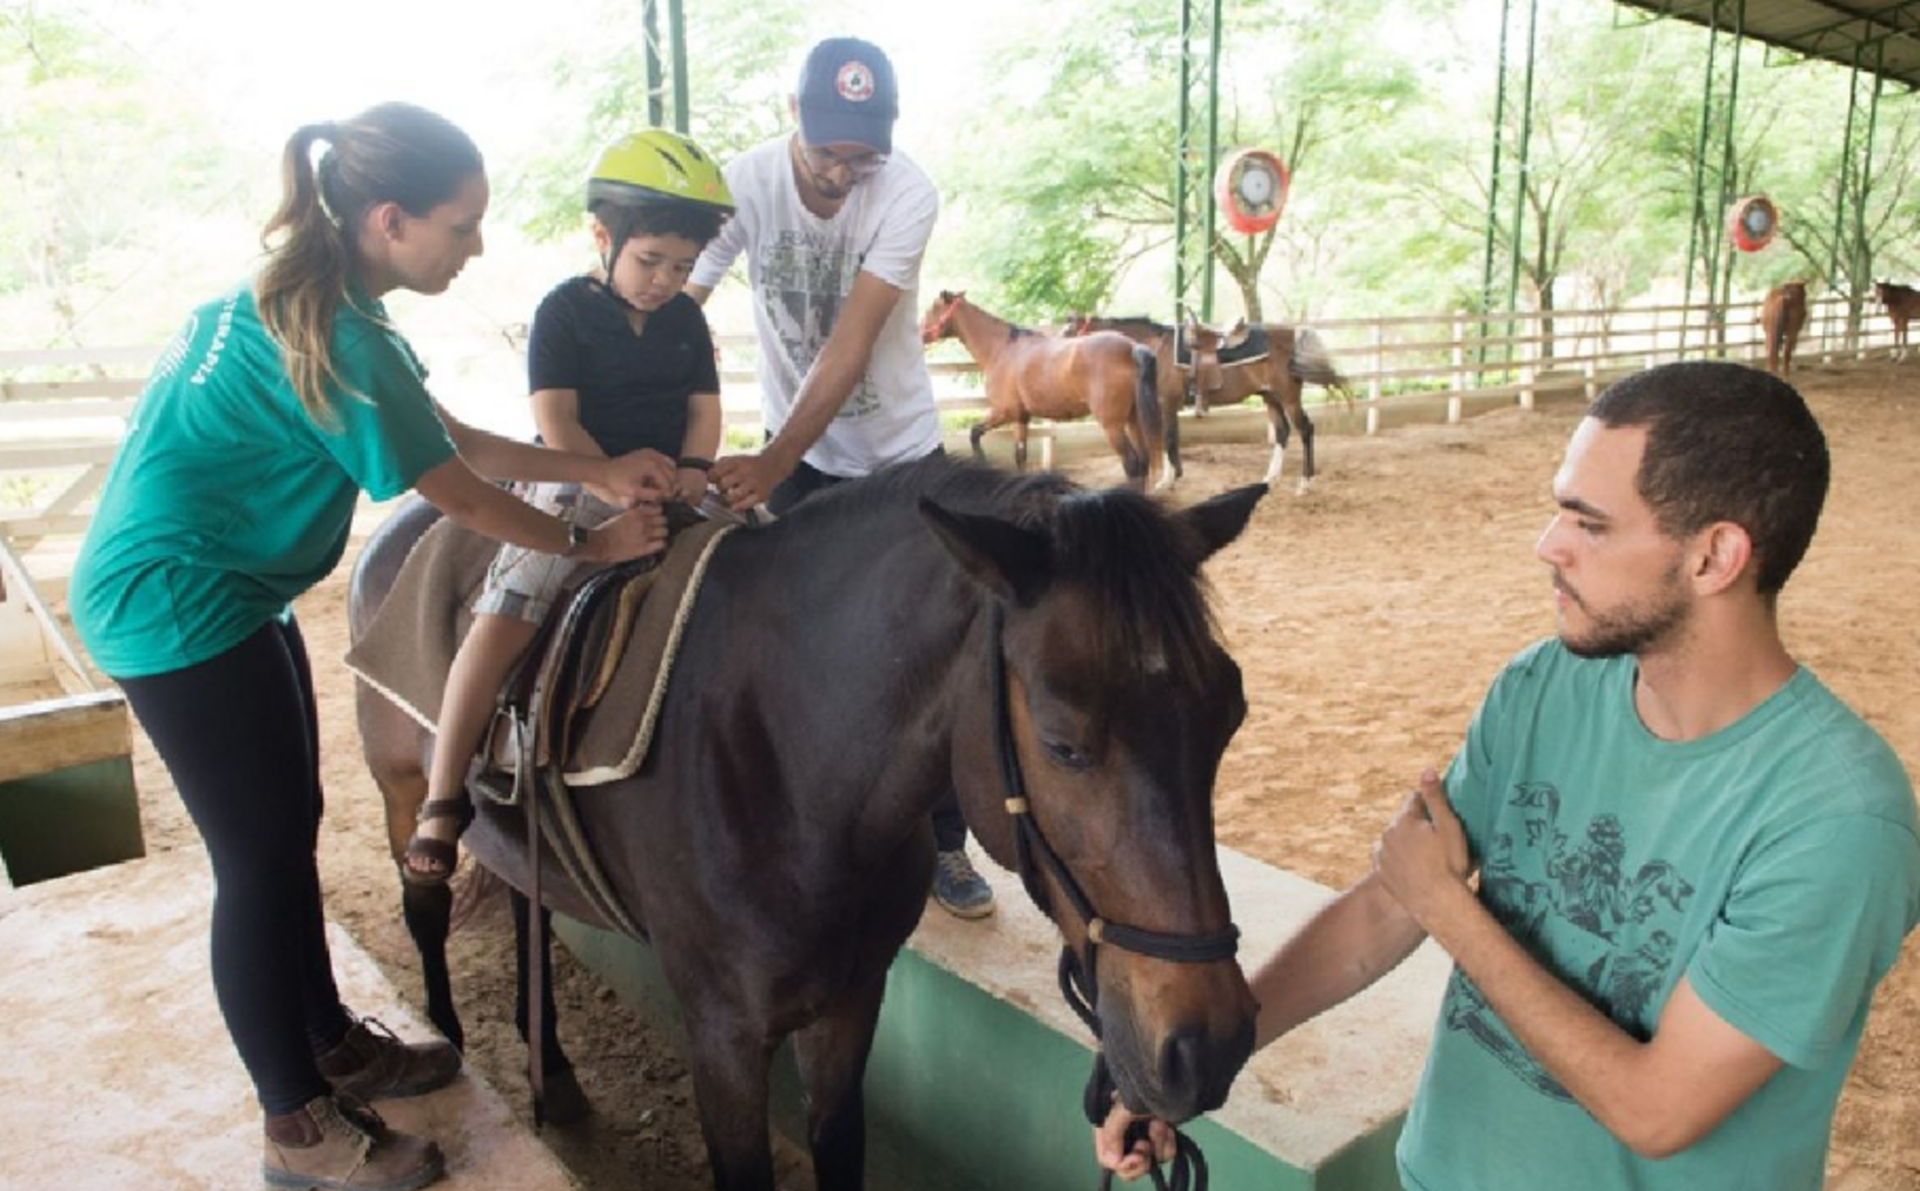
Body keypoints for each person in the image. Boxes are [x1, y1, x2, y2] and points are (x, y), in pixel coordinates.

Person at [1095, 361, 1920, 1190]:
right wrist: (1197, 1066)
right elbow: (1388, 906)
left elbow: (1657, 1108)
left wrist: (1449, 907)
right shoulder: (1545, 686)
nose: (1547, 545)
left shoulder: (1838, 819)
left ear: (1714, 557)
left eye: (1588, 524)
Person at [69, 102, 678, 1191]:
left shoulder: (305, 302)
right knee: (254, 863)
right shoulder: (341, 335)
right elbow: (459, 494)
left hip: (230, 589)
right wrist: (591, 542)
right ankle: (294, 1127)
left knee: (289, 825)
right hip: (174, 606)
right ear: (389, 220)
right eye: (461, 226)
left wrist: (595, 466)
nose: (476, 246)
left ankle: (328, 1035)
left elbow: (438, 434)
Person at [686, 35, 995, 919]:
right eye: (830, 152)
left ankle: (946, 845)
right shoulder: (743, 184)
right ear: (794, 117)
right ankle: (814, 833)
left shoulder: (906, 192)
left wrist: (770, 457)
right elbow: (680, 298)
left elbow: (851, 342)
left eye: (865, 152)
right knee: (805, 650)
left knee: (937, 646)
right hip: (807, 463)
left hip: (900, 455)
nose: (846, 171)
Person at [402, 128, 732, 885]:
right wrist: (603, 477)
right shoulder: (564, 313)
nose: (665, 280)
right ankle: (445, 793)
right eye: (650, 260)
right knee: (512, 604)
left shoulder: (686, 318)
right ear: (602, 236)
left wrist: (694, 469)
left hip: (665, 478)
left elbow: (702, 411)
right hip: (574, 471)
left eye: (682, 266)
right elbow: (557, 418)